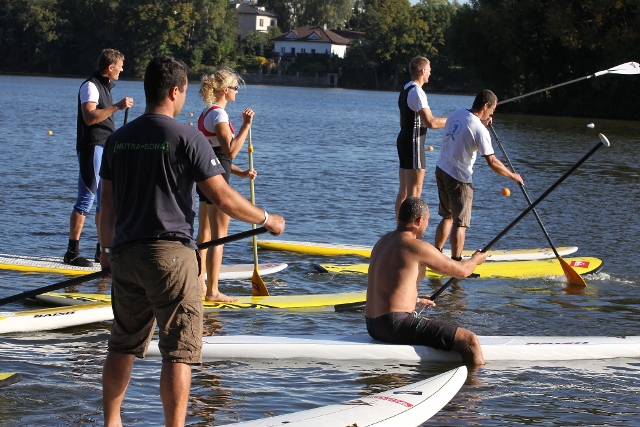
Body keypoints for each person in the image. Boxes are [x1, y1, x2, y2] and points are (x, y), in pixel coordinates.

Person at [98, 56, 285, 427]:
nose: (185, 97)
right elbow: (223, 198)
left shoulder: (117, 139)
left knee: (122, 344)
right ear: (174, 91)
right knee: (178, 351)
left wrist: (106, 253)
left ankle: (112, 422)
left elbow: (107, 206)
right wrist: (266, 218)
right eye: (184, 91)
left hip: (125, 253)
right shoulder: (188, 138)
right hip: (171, 256)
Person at [366, 197, 487, 365]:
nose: (427, 224)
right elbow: (462, 271)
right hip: (394, 325)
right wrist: (475, 260)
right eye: (428, 220)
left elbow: (387, 285)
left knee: (434, 326)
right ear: (419, 220)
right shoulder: (416, 246)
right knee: (470, 341)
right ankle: (475, 381)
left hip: (373, 325)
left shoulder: (382, 241)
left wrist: (415, 300)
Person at [434, 89, 524, 260]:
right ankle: (456, 262)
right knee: (460, 223)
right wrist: (513, 176)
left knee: (447, 217)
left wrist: (481, 123)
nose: (492, 113)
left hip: (441, 169)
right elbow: (492, 162)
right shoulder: (480, 131)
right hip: (459, 178)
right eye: (492, 109)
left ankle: (436, 254)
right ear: (485, 106)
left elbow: (465, 129)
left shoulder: (457, 113)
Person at [63, 48, 134, 266]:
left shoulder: (105, 87)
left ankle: (101, 251)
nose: (122, 70)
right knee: (86, 198)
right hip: (92, 147)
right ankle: (71, 252)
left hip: (105, 148)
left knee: (106, 201)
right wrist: (117, 107)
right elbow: (89, 117)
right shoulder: (90, 86)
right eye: (120, 66)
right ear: (110, 67)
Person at [196, 68, 256, 302]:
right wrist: (246, 125)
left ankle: (199, 286)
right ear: (224, 90)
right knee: (219, 236)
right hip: (218, 180)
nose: (237, 92)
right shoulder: (219, 115)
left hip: (205, 175)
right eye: (235, 88)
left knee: (204, 234)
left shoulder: (205, 113)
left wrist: (241, 173)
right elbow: (229, 151)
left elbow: (215, 154)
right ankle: (213, 291)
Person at [394, 56, 447, 218]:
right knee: (414, 193)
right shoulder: (417, 92)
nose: (430, 73)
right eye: (429, 70)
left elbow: (403, 121)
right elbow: (430, 122)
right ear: (423, 71)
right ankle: (409, 230)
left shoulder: (405, 88)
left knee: (404, 190)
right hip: (414, 144)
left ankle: (400, 227)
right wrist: (455, 119)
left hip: (403, 140)